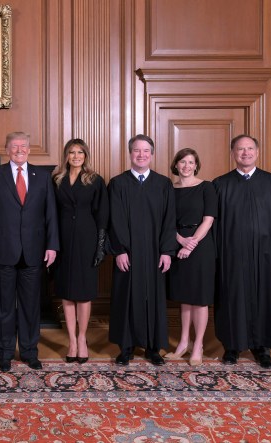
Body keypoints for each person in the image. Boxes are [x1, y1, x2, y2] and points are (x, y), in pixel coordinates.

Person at [0, 131, 59, 372]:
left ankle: (29, 352)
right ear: (6, 149)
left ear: (30, 149)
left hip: (34, 252)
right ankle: (4, 354)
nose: (19, 150)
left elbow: (51, 215)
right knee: (3, 306)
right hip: (2, 251)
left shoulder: (43, 176)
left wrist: (52, 245)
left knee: (30, 306)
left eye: (23, 146)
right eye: (14, 146)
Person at [213, 134, 271, 369]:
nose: (245, 153)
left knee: (265, 298)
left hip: (267, 254)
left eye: (249, 149)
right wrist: (216, 256)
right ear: (233, 153)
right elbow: (214, 224)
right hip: (231, 254)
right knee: (231, 297)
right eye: (240, 149)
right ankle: (232, 346)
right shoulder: (221, 184)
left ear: (257, 152)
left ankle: (262, 348)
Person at [107, 134, 178, 366]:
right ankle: (125, 347)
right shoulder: (118, 184)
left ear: (152, 154)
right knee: (125, 297)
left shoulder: (163, 184)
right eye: (137, 150)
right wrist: (119, 250)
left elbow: (170, 220)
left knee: (153, 298)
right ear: (130, 153)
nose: (141, 155)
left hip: (155, 252)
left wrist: (167, 251)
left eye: (146, 151)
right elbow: (114, 220)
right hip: (128, 253)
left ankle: (153, 347)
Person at [52, 139, 109, 364]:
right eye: (72, 152)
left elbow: (102, 214)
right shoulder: (56, 180)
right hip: (63, 239)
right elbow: (52, 213)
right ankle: (72, 341)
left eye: (80, 152)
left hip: (87, 238)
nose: (76, 156)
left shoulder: (95, 180)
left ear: (86, 155)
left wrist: (100, 245)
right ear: (66, 155)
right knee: (66, 292)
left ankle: (83, 338)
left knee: (84, 293)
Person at [164, 148, 217, 366]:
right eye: (182, 162)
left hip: (201, 246)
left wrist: (191, 242)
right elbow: (165, 220)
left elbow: (209, 219)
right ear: (176, 165)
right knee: (185, 298)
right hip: (177, 243)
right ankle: (183, 343)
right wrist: (180, 240)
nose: (186, 166)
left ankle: (198, 345)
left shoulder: (207, 187)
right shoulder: (169, 189)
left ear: (196, 165)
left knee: (200, 298)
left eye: (191, 162)